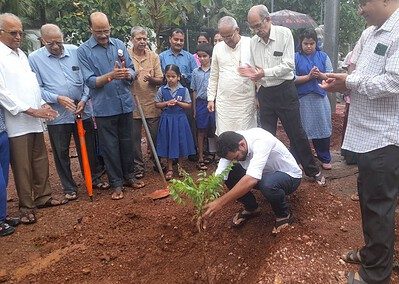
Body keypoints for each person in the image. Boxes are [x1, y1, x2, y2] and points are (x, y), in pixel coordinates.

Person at [319, 1, 399, 283]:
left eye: (363, 2)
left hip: (386, 136)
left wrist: (350, 82)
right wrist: (343, 82)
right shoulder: (370, 33)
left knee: (379, 206)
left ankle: (376, 275)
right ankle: (374, 254)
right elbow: (358, 75)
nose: (360, 9)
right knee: (370, 202)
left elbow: (393, 82)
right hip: (365, 135)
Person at [241, 5, 325, 186]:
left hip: (285, 90)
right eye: (252, 27)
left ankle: (312, 170)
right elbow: (255, 68)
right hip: (265, 93)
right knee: (266, 135)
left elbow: (288, 65)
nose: (256, 31)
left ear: (268, 19)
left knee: (296, 133)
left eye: (258, 25)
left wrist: (263, 73)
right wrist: (251, 75)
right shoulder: (253, 42)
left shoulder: (284, 34)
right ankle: (267, 172)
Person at [0, 13, 67, 225]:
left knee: (39, 160)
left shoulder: (21, 55)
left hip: (35, 119)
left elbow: (31, 85)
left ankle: (43, 197)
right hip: (17, 122)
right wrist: (29, 109)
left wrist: (40, 104)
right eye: (13, 33)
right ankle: (26, 206)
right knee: (22, 165)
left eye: (20, 32)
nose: (18, 36)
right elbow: (3, 93)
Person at [28, 24, 108, 201]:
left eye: (59, 41)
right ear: (42, 41)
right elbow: (36, 88)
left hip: (82, 110)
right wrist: (58, 98)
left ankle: (93, 178)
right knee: (61, 151)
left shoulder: (75, 51)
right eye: (50, 43)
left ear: (63, 37)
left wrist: (84, 99)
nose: (56, 46)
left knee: (88, 147)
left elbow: (87, 79)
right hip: (58, 115)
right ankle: (69, 187)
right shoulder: (34, 58)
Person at [77, 12, 145, 200]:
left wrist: (128, 74)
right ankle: (116, 184)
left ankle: (129, 176)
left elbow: (131, 68)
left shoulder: (119, 44)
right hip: (104, 108)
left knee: (127, 142)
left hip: (124, 103)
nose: (104, 35)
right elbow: (90, 81)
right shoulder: (83, 51)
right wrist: (110, 76)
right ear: (90, 29)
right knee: (110, 147)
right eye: (99, 31)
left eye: (106, 30)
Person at [200, 128, 302, 234]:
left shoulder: (261, 141)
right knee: (230, 172)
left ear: (242, 145)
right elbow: (219, 176)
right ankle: (252, 208)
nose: (236, 160)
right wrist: (206, 198)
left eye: (236, 157)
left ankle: (283, 215)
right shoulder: (231, 144)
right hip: (263, 175)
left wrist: (220, 202)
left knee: (268, 184)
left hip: (289, 177)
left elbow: (252, 180)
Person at [207, 16, 257, 136]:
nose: (226, 40)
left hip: (245, 101)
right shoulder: (218, 48)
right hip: (224, 103)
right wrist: (210, 99)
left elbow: (259, 70)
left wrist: (258, 96)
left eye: (229, 36)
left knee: (246, 136)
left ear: (237, 30)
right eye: (223, 37)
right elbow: (214, 75)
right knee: (225, 136)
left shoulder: (250, 43)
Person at [294, 29, 333, 170]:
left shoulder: (323, 56)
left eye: (312, 43)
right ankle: (299, 158)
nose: (309, 46)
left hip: (320, 99)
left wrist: (320, 75)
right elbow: (292, 78)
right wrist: (308, 77)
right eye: (306, 43)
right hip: (302, 100)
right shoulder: (295, 57)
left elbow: (330, 75)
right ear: (301, 43)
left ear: (316, 43)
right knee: (301, 130)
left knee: (322, 127)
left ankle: (324, 157)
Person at [127, 26, 163, 179]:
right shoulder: (126, 56)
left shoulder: (153, 56)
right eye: (138, 39)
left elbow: (160, 79)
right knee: (134, 138)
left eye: (144, 39)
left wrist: (151, 79)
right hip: (133, 103)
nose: (142, 41)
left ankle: (157, 161)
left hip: (151, 103)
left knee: (155, 136)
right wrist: (130, 76)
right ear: (132, 40)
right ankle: (138, 166)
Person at [155, 64, 195, 180]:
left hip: (180, 119)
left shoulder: (184, 90)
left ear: (178, 77)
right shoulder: (162, 89)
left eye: (173, 76)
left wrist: (177, 103)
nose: (170, 79)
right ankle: (170, 168)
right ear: (165, 77)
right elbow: (157, 104)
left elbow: (188, 105)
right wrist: (167, 103)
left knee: (181, 141)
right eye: (168, 76)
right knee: (168, 142)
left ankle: (181, 166)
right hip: (167, 119)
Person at [191, 43, 216, 170]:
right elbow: (194, 91)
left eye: (204, 56)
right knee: (201, 130)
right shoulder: (195, 72)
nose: (202, 59)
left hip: (215, 102)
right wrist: (195, 109)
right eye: (199, 56)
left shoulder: (216, 70)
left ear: (210, 57)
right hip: (201, 102)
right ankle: (200, 157)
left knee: (216, 129)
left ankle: (218, 156)